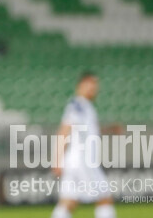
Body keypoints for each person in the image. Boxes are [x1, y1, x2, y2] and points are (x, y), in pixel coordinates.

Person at [51, 72, 116, 218]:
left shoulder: (85, 106)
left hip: (74, 162)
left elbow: (90, 132)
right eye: (91, 84)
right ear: (80, 85)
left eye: (96, 85)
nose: (94, 89)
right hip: (83, 161)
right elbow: (64, 131)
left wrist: (110, 129)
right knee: (104, 197)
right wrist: (56, 160)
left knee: (68, 202)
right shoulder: (77, 105)